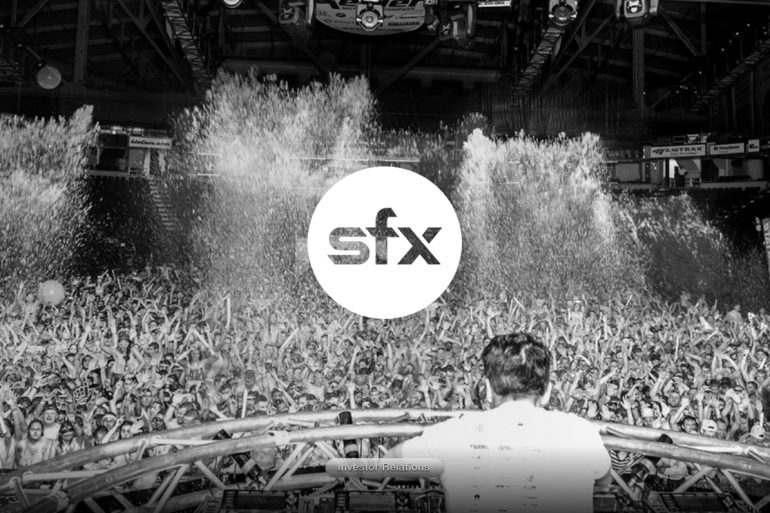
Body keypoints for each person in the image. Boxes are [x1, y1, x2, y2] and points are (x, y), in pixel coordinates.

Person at [387, 332, 611, 513]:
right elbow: (603, 481)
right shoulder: (581, 433)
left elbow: (387, 464)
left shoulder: (451, 434)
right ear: (547, 392)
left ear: (487, 390)